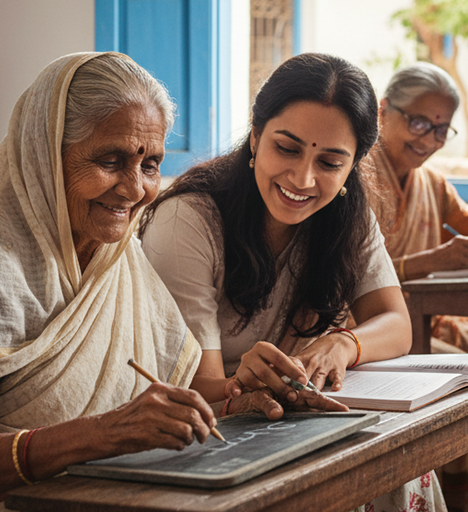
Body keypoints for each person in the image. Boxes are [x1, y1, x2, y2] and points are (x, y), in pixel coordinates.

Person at [0, 52, 224, 511]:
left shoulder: (115, 254)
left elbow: (181, 395)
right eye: (110, 159)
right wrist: (105, 433)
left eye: (149, 165)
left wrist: (248, 395)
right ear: (44, 155)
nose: (134, 188)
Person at [140, 53, 445, 511]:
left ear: (354, 164)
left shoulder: (348, 214)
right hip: (206, 430)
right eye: (287, 148)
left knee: (398, 459)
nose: (302, 178)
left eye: (330, 162)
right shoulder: (190, 218)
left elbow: (394, 323)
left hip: (291, 418)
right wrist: (244, 386)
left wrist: (343, 344)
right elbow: (195, 389)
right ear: (256, 134)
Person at [370, 62, 468, 352]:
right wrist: (429, 262)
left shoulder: (434, 186)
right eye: (419, 123)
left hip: (427, 323)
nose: (428, 140)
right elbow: (344, 282)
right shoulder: (352, 179)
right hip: (368, 331)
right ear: (383, 110)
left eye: (440, 130)